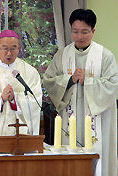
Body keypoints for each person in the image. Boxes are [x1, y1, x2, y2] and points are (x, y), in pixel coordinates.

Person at [43, 9, 118, 176]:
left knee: (98, 155)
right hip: (70, 116)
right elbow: (49, 80)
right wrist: (69, 80)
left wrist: (88, 80)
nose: (79, 36)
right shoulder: (62, 55)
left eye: (84, 32)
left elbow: (112, 84)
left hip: (97, 118)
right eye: (75, 31)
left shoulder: (105, 56)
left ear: (93, 31)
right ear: (70, 30)